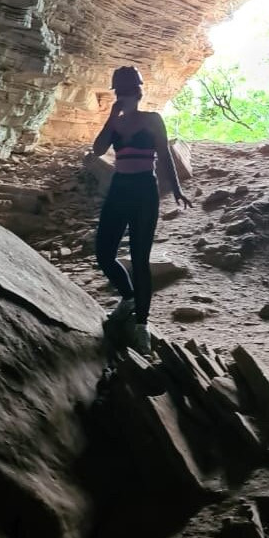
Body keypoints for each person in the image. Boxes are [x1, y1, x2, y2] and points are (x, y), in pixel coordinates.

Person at [92, 66, 192, 355]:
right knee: (104, 253)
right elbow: (98, 149)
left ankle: (142, 324)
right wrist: (111, 117)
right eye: (120, 91)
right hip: (120, 188)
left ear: (137, 92)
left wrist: (176, 190)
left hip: (144, 190)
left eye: (128, 90)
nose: (125, 95)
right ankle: (128, 298)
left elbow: (165, 157)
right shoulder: (116, 123)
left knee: (139, 257)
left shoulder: (152, 120)